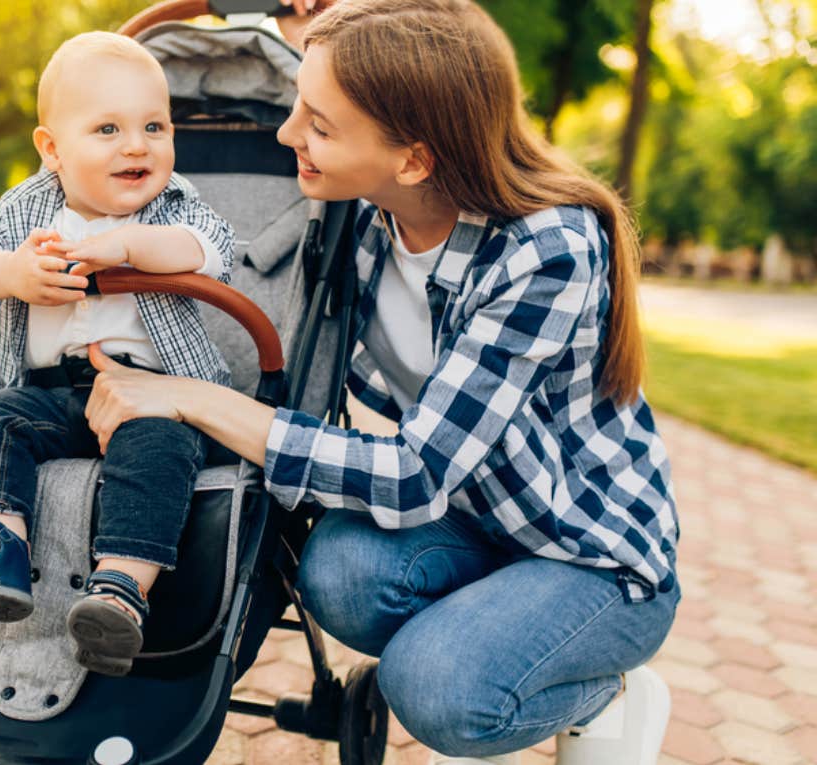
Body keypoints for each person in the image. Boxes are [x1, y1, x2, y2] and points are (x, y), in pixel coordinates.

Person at [80, 0, 679, 761]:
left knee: (435, 687)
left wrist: (191, 398)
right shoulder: (361, 220)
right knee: (336, 574)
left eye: (318, 126)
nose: (287, 134)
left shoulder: (546, 248)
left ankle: (597, 686)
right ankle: (493, 630)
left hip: (585, 546)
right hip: (475, 513)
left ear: (413, 160)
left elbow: (415, 474)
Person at [0, 31, 236, 677]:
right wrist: (8, 273)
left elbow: (212, 248)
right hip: (52, 395)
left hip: (153, 395)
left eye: (154, 126)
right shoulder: (30, 209)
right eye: (107, 129)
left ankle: (120, 589)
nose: (137, 145)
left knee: (157, 448)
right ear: (52, 149)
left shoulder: (173, 206)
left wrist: (130, 245)